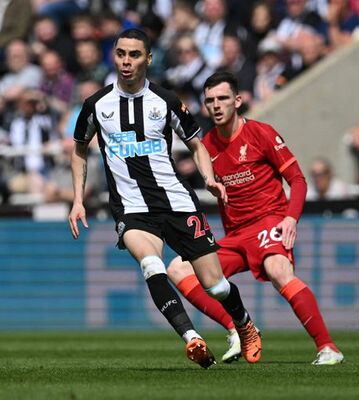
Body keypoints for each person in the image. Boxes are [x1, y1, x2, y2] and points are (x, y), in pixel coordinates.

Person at [68, 29, 262, 369]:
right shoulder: (96, 105)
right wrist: (77, 200)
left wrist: (208, 178)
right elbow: (79, 151)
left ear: (149, 59)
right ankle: (192, 339)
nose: (126, 62)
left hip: (177, 202)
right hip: (131, 208)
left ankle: (245, 324)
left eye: (134, 55)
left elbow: (197, 143)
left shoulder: (167, 101)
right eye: (121, 54)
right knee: (151, 264)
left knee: (215, 286)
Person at [167, 71, 344, 365]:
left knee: (277, 270)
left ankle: (328, 347)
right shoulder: (207, 146)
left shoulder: (261, 133)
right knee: (177, 269)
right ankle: (239, 330)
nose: (216, 105)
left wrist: (290, 219)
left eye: (223, 98)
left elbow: (297, 180)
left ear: (237, 101)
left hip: (268, 222)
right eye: (210, 100)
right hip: (235, 235)